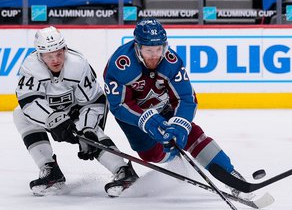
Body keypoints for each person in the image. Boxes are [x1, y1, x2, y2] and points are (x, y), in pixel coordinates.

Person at [103, 18, 253, 197]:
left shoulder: (171, 62)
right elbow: (119, 105)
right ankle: (174, 157)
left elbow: (186, 98)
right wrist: (145, 119)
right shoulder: (120, 66)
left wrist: (180, 123)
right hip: (134, 120)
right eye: (149, 50)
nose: (154, 55)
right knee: (152, 155)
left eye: (159, 49)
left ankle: (231, 176)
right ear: (138, 47)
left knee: (191, 134)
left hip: (164, 107)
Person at [13, 26, 138, 197]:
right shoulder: (30, 68)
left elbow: (94, 101)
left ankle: (123, 170)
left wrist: (86, 129)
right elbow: (28, 103)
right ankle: (50, 170)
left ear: (64, 49)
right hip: (51, 114)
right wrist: (53, 119)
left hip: (79, 110)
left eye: (59, 53)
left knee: (90, 135)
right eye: (49, 56)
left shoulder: (78, 64)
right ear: (40, 55)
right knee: (20, 115)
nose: (56, 59)